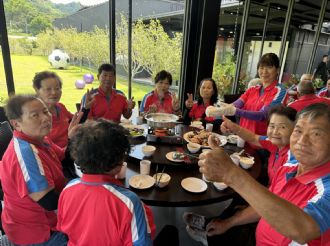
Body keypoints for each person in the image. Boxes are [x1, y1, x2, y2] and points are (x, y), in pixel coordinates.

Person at [196, 103, 330, 245]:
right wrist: (229, 223)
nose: (302, 141)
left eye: (316, 134)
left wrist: (231, 174)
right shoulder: (289, 167)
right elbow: (268, 205)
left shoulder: (326, 187)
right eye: (298, 131)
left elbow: (303, 229)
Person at [57, 119, 156, 245]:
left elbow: (63, 229)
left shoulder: (67, 189)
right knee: (171, 231)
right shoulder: (130, 202)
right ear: (120, 162)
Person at [0, 95, 81, 245]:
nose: (45, 118)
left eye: (45, 111)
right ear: (16, 124)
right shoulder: (26, 154)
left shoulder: (40, 139)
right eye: (35, 115)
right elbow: (49, 202)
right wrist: (85, 198)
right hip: (37, 232)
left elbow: (64, 158)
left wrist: (71, 138)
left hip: (46, 217)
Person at [206, 53, 287, 138]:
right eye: (261, 67)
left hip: (261, 145)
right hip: (242, 139)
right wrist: (227, 122)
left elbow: (263, 115)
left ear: (277, 70)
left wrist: (234, 111)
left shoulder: (280, 91)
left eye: (269, 67)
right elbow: (235, 105)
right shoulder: (252, 89)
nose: (264, 71)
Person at [221, 105, 297, 184]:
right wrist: (232, 127)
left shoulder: (293, 160)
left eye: (282, 127)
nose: (275, 132)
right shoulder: (274, 142)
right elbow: (253, 138)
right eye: (272, 126)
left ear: (295, 130)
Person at [33, 71, 91, 148]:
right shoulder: (34, 116)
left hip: (73, 149)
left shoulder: (60, 107)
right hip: (55, 157)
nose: (54, 92)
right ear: (37, 90)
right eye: (48, 89)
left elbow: (76, 122)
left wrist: (85, 108)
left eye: (57, 88)